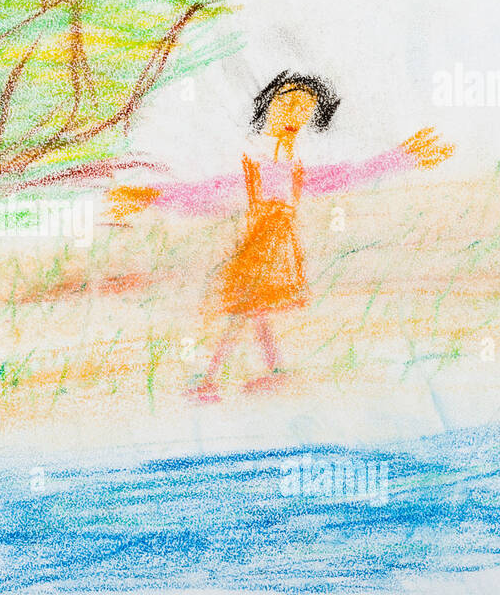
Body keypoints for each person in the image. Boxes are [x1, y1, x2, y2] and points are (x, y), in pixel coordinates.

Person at [107, 71, 454, 402]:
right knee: (250, 311)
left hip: (274, 250)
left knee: (246, 311)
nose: (295, 114)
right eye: (288, 104)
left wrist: (402, 157)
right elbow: (204, 195)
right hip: (257, 249)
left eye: (305, 109)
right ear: (269, 105)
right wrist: (147, 195)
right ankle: (266, 372)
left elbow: (348, 175)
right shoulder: (252, 164)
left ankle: (219, 378)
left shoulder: (297, 168)